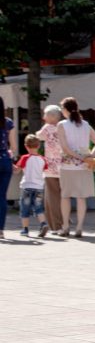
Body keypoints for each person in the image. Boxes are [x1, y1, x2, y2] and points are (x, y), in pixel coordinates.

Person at [55, 97, 95, 238]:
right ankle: (79, 227)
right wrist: (90, 157)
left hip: (67, 165)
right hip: (84, 167)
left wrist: (80, 158)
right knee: (81, 198)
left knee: (65, 196)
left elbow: (65, 147)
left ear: (65, 110)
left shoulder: (62, 125)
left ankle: (65, 227)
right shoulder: (85, 124)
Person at [36, 105, 66, 234]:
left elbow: (39, 137)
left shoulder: (47, 128)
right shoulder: (64, 126)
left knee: (52, 197)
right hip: (65, 165)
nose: (43, 118)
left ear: (53, 116)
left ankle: (56, 226)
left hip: (51, 168)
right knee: (65, 196)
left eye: (46, 115)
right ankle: (65, 223)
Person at [15, 135, 49, 238]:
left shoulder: (25, 158)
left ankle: (25, 230)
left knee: (25, 208)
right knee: (39, 208)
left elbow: (17, 170)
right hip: (39, 187)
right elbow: (45, 170)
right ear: (38, 146)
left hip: (27, 187)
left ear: (26, 146)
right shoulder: (43, 159)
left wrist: (12, 166)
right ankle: (43, 223)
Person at [0, 98, 15, 239]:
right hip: (5, 160)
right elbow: (14, 147)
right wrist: (12, 158)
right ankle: (1, 229)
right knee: (2, 196)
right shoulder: (8, 122)